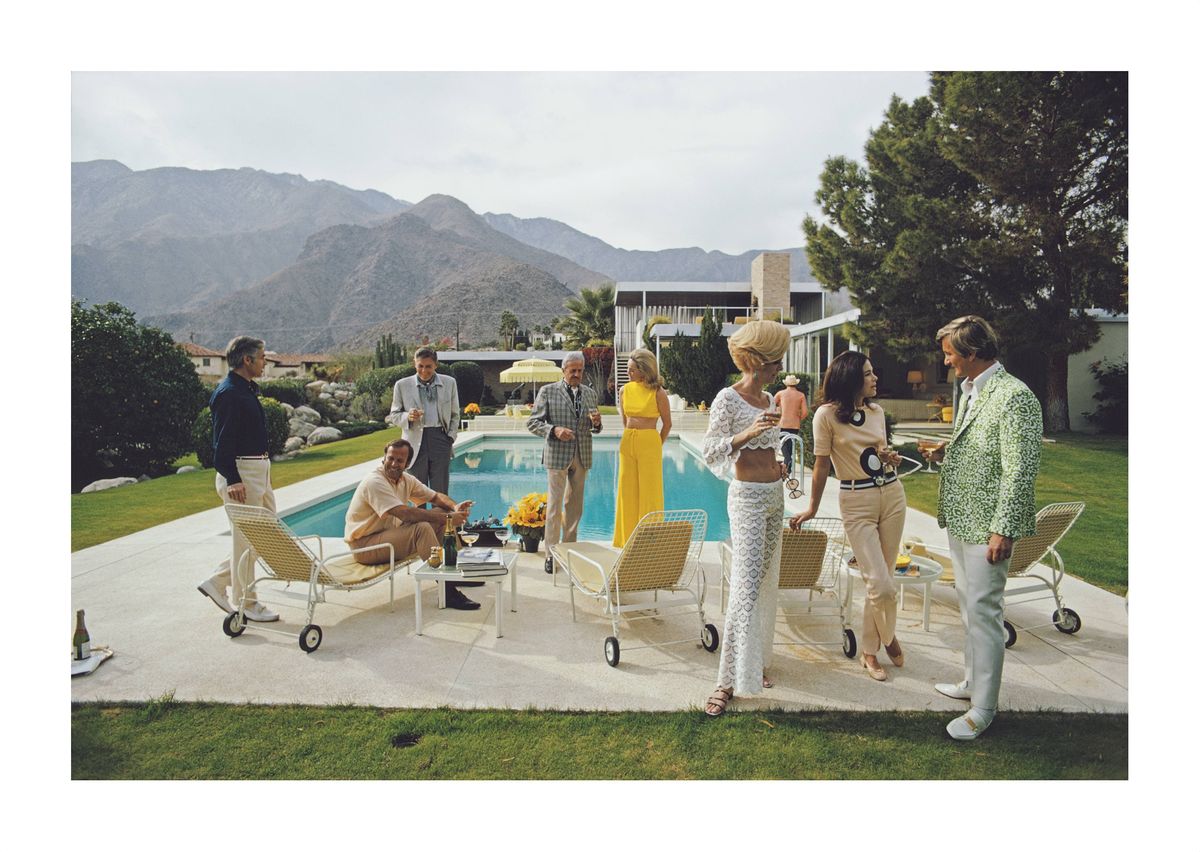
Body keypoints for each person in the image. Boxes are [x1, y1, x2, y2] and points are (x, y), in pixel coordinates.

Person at [920, 315, 1042, 740]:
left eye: (951, 353)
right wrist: (945, 451)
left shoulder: (1015, 397)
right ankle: (972, 682)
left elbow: (1019, 470)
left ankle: (983, 708)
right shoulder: (972, 389)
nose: (947, 360)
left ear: (972, 353)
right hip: (961, 518)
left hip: (989, 525)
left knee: (986, 614)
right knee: (969, 609)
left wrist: (1003, 529)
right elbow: (982, 447)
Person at [790, 352, 906, 682]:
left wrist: (889, 457)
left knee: (883, 578)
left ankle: (869, 652)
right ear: (851, 378)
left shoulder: (876, 411)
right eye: (868, 374)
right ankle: (888, 635)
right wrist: (812, 507)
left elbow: (879, 454)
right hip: (856, 501)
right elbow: (822, 465)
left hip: (892, 494)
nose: (875, 379)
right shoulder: (825, 416)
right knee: (880, 585)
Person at [701, 320, 790, 717]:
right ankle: (724, 681)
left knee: (765, 582)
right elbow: (711, 451)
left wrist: (781, 465)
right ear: (757, 360)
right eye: (775, 362)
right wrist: (747, 433)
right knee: (744, 588)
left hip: (775, 497)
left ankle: (751, 665)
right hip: (749, 500)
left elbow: (771, 449)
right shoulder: (727, 399)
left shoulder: (771, 398)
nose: (779, 368)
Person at [196, 335, 280, 623]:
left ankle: (219, 581)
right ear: (247, 360)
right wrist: (233, 479)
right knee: (247, 541)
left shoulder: (245, 389)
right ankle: (247, 603)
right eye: (262, 357)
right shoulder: (229, 393)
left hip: (257, 471)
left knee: (266, 536)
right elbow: (221, 443)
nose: (265, 362)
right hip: (241, 474)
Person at [344, 438, 480, 610]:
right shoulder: (375, 481)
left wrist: (454, 507)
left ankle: (454, 573)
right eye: (390, 458)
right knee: (421, 529)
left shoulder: (405, 480)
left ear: (407, 464)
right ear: (384, 458)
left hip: (386, 537)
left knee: (441, 513)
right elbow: (405, 513)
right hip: (364, 546)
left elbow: (436, 497)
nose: (394, 463)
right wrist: (449, 519)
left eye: (399, 460)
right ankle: (448, 592)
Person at [526, 351, 603, 573]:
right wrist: (554, 430)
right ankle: (551, 554)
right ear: (564, 370)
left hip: (582, 455)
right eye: (573, 371)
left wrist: (597, 424)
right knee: (554, 507)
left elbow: (593, 427)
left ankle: (568, 551)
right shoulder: (547, 391)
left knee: (574, 508)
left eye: (580, 370)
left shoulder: (589, 394)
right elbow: (533, 423)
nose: (577, 374)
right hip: (557, 455)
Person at [612, 348, 671, 547]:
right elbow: (624, 419)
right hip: (628, 441)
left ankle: (650, 542)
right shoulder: (624, 390)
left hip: (650, 442)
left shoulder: (659, 393)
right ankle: (626, 540)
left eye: (632, 370)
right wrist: (631, 438)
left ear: (645, 370)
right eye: (628, 370)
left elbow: (667, 424)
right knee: (626, 490)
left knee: (650, 493)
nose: (628, 374)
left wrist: (656, 445)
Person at [387, 347, 460, 506]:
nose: (424, 370)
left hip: (440, 439)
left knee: (440, 491)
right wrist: (408, 416)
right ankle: (420, 529)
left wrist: (450, 437)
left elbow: (455, 414)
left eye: (428, 366)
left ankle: (440, 529)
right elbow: (394, 415)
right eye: (420, 366)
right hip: (413, 442)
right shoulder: (402, 385)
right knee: (416, 491)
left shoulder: (449, 383)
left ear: (436, 365)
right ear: (415, 364)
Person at [774, 374, 809, 476]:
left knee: (784, 446)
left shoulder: (780, 393)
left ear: (786, 383)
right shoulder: (801, 395)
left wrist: (777, 414)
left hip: (782, 423)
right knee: (790, 447)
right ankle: (789, 467)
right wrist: (798, 418)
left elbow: (770, 405)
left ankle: (788, 464)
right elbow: (805, 412)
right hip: (795, 425)